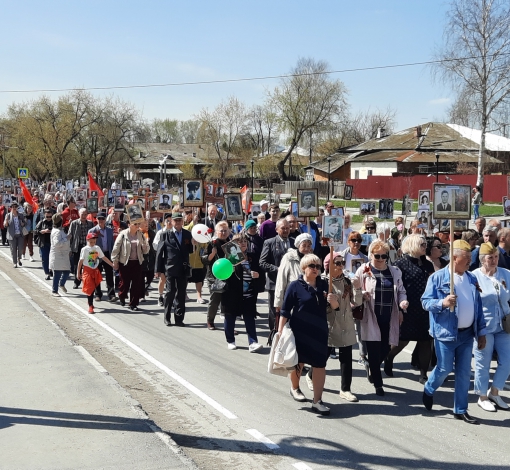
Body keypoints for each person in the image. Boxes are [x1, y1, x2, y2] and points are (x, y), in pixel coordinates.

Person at [421, 239, 487, 424]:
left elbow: (478, 307)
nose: (469, 262)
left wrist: (481, 332)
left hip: (467, 334)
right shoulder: (438, 278)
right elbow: (425, 302)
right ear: (454, 258)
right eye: (466, 259)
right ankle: (429, 388)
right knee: (444, 368)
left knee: (464, 372)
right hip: (446, 332)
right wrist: (442, 303)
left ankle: (460, 409)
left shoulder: (472, 278)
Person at [279, 253, 339, 415]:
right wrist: (279, 332)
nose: (316, 269)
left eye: (318, 266)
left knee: (320, 365)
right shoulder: (294, 286)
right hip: (299, 330)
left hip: (319, 331)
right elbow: (285, 311)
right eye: (312, 266)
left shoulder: (325, 285)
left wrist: (333, 301)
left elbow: (335, 307)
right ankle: (295, 388)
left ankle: (317, 401)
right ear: (304, 268)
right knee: (298, 362)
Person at [354, 240, 408, 396]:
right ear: (371, 255)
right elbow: (354, 289)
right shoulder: (363, 271)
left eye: (384, 256)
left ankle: (372, 366)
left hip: (389, 316)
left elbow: (401, 291)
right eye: (377, 256)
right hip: (371, 315)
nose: (380, 259)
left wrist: (403, 302)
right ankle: (378, 384)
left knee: (386, 348)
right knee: (373, 350)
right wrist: (360, 295)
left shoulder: (395, 271)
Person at [385, 235, 434, 383]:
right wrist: (398, 309)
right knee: (402, 340)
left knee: (426, 341)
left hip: (425, 308)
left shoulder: (428, 264)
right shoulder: (400, 264)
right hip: (407, 307)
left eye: (425, 244)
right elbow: (396, 288)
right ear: (412, 245)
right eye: (422, 244)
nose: (425, 247)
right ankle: (389, 358)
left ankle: (423, 373)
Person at [471, 242, 510, 411]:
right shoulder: (474, 276)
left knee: (507, 360)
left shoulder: (506, 274)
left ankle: (495, 391)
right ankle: (482, 396)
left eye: (496, 257)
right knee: (483, 362)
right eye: (490, 258)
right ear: (482, 260)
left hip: (505, 325)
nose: (494, 260)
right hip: (484, 326)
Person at [322, 251, 363, 402]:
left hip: (346, 324)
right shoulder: (322, 282)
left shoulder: (347, 281)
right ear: (329, 266)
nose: (340, 266)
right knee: (323, 357)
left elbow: (357, 302)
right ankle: (311, 375)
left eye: (342, 263)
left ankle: (345, 389)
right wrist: (329, 303)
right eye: (337, 263)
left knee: (346, 358)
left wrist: (358, 288)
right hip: (330, 325)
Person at [221, 234, 264, 352]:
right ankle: (230, 340)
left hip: (249, 294)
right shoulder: (230, 258)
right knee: (230, 317)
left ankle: (253, 342)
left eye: (245, 241)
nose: (243, 243)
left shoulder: (253, 257)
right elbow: (222, 275)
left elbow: (260, 270)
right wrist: (230, 270)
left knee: (250, 318)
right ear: (234, 244)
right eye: (240, 242)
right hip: (232, 294)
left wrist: (258, 275)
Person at [156, 212, 193, 326]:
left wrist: (193, 243)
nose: (177, 222)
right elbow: (159, 253)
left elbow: (190, 250)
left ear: (182, 222)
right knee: (170, 293)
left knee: (181, 294)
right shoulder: (165, 235)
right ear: (171, 222)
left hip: (183, 268)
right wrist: (158, 270)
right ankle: (167, 317)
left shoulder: (187, 234)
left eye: (179, 220)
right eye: (175, 220)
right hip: (170, 268)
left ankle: (179, 318)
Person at [260, 219, 294, 333]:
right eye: (283, 228)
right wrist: (278, 269)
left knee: (290, 311)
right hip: (275, 283)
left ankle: (288, 335)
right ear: (276, 229)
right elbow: (262, 262)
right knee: (275, 311)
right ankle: (274, 334)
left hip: (291, 284)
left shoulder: (294, 242)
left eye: (287, 228)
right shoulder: (269, 242)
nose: (285, 230)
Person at [111, 219, 150, 311]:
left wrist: (145, 248)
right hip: (125, 262)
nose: (137, 225)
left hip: (137, 262)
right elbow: (116, 248)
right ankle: (122, 296)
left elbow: (146, 248)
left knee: (136, 284)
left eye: (138, 224)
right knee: (124, 283)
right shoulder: (123, 234)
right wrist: (115, 261)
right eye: (135, 224)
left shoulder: (140, 234)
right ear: (129, 224)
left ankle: (133, 304)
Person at [202, 221, 231, 330]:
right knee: (215, 299)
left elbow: (235, 259)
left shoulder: (230, 243)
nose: (223, 233)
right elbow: (204, 260)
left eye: (225, 231)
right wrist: (212, 254)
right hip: (214, 276)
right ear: (217, 232)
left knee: (228, 301)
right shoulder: (212, 243)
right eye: (221, 231)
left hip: (228, 275)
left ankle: (229, 324)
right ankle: (210, 321)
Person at [77, 232, 115, 314]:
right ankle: (90, 306)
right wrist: (78, 272)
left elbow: (103, 257)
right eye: (91, 242)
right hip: (87, 270)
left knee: (95, 286)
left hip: (95, 270)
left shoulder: (97, 248)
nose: (92, 243)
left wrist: (112, 264)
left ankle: (90, 300)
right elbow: (80, 261)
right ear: (87, 240)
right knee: (89, 288)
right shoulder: (85, 249)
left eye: (94, 241)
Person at [88, 212, 118, 302]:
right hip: (95, 255)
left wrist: (113, 255)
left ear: (105, 220)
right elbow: (89, 246)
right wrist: (90, 259)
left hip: (107, 253)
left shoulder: (109, 230)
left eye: (102, 219)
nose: (101, 220)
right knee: (97, 275)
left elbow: (111, 243)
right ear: (96, 219)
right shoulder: (92, 231)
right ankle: (98, 294)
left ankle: (111, 294)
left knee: (109, 274)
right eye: (99, 219)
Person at [69, 208, 94, 289]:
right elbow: (70, 236)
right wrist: (70, 248)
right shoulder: (74, 223)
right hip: (78, 247)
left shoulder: (90, 224)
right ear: (79, 214)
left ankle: (88, 282)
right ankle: (77, 282)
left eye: (85, 214)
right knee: (77, 265)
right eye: (82, 214)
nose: (84, 216)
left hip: (88, 247)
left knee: (89, 265)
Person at [49, 213, 71, 296]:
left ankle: (62, 284)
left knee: (67, 271)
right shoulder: (56, 232)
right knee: (57, 273)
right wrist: (66, 238)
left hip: (63, 255)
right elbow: (57, 243)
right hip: (57, 255)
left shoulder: (60, 230)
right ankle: (54, 290)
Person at [153, 214, 172, 306]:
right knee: (162, 279)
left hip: (171, 259)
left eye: (170, 221)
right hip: (163, 258)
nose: (169, 223)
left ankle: (170, 297)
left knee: (171, 279)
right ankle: (160, 296)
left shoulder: (174, 232)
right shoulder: (160, 232)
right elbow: (155, 245)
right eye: (167, 221)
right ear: (164, 222)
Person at [4, 202, 26, 268]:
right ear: (11, 208)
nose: (14, 208)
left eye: (15, 207)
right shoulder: (8, 215)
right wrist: (6, 221)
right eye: (13, 207)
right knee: (13, 249)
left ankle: (19, 259)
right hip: (12, 235)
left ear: (17, 208)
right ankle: (15, 262)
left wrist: (23, 224)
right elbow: (5, 225)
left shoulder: (20, 215)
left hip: (20, 235)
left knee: (20, 249)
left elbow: (24, 222)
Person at [35, 208, 53, 280]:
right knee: (45, 258)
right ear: (44, 216)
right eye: (47, 216)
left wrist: (52, 231)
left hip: (53, 244)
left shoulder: (54, 222)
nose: (48, 218)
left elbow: (60, 229)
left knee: (52, 259)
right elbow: (36, 231)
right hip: (44, 243)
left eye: (50, 216)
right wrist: (43, 231)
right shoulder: (41, 222)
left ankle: (51, 270)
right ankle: (47, 273)